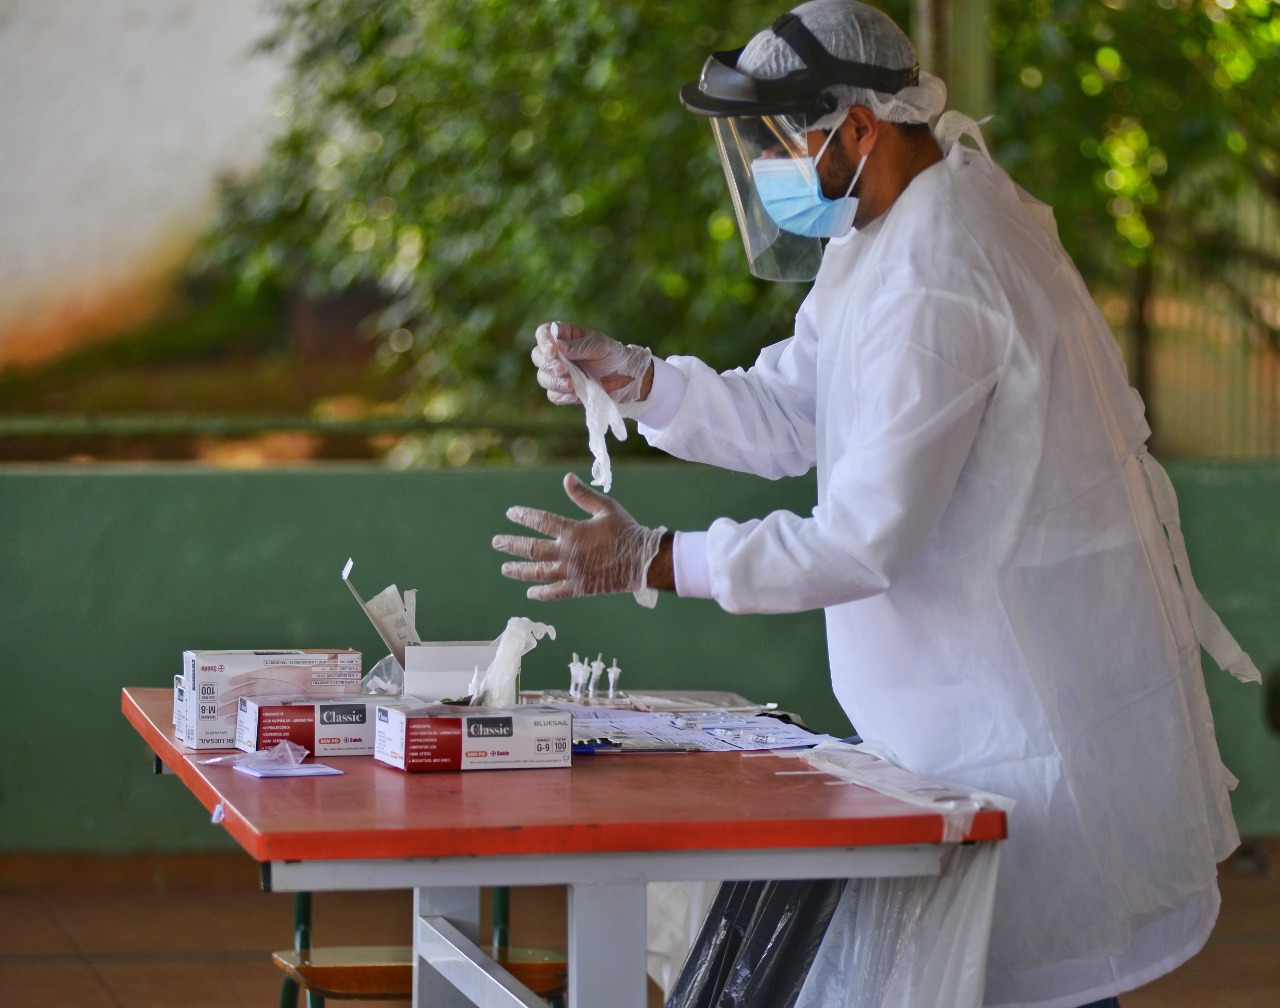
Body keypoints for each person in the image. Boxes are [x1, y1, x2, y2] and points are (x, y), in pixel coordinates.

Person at [490, 3, 1260, 1006]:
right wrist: (640, 382)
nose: (767, 164)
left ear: (859, 127)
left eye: (781, 138)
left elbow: (857, 544)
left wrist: (652, 560)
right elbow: (795, 411)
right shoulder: (891, 225)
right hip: (948, 727)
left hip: (1010, 727)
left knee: (1018, 980)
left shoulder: (938, 274)